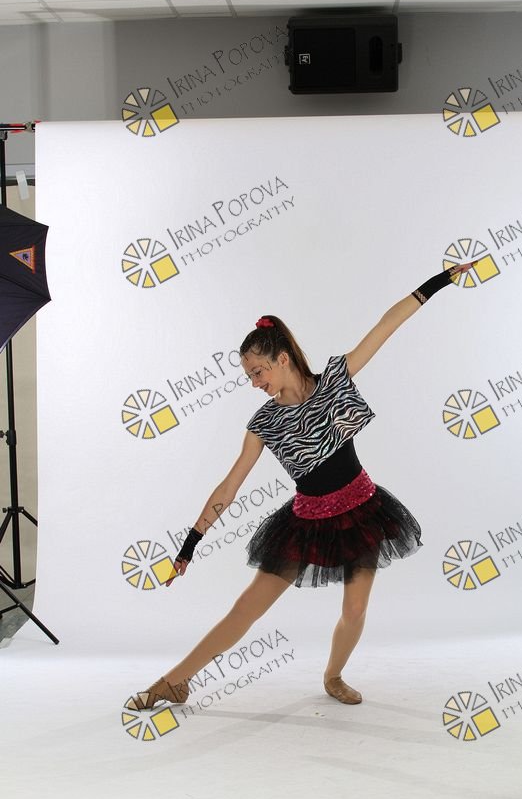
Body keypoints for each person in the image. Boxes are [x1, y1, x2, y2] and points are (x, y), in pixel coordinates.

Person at [125, 260, 476, 712]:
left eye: (258, 372)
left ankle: (333, 675)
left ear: (282, 358)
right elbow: (229, 486)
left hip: (361, 511)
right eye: (250, 376)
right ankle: (171, 683)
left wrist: (442, 280)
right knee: (245, 608)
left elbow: (386, 325)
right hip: (305, 521)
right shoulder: (264, 422)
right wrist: (190, 543)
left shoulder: (334, 381)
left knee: (354, 611)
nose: (255, 383)